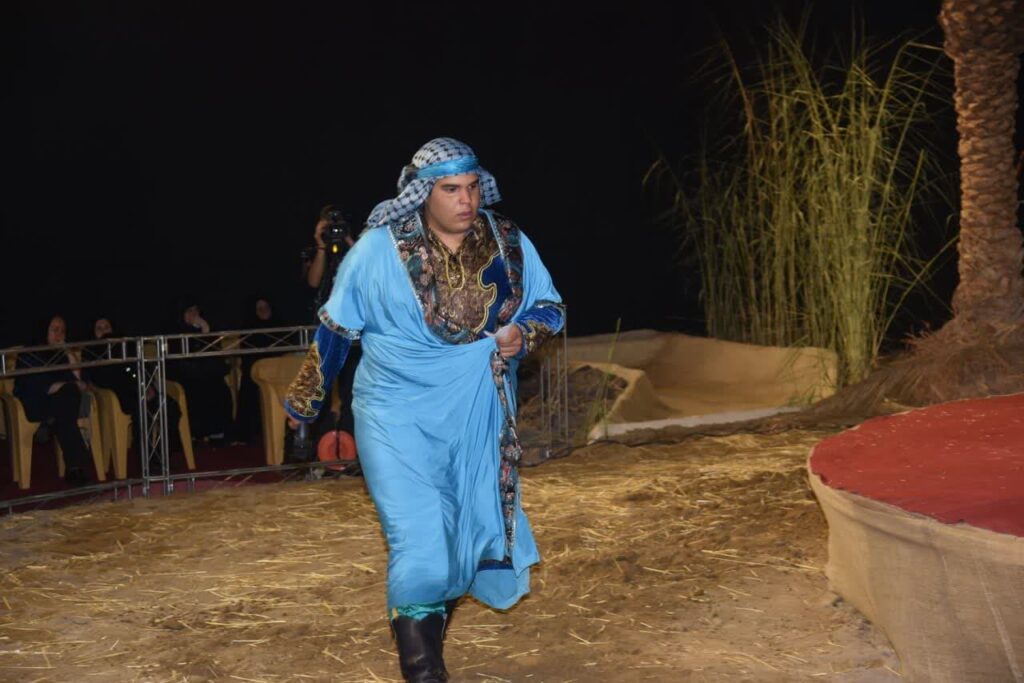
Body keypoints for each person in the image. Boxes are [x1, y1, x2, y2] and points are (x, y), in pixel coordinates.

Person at [284, 137, 565, 682]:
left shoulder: (507, 241)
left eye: (473, 187)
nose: (466, 200)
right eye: (451, 189)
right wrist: (305, 401)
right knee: (419, 540)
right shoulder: (377, 251)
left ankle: (425, 637)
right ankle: (424, 672)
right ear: (421, 193)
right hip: (395, 413)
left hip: (475, 414)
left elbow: (550, 306)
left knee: (460, 538)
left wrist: (524, 333)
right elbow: (336, 330)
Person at [85, 316, 183, 465]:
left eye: (107, 327)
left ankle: (163, 454)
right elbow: (101, 379)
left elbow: (142, 367)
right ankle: (147, 460)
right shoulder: (91, 352)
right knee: (142, 409)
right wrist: (138, 390)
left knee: (171, 406)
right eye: (99, 329)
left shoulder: (126, 345)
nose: (104, 332)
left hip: (141, 388)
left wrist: (148, 386)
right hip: (117, 395)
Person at [301, 205, 362, 442]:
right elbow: (313, 282)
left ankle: (351, 442)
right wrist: (320, 245)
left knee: (353, 388)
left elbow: (365, 270)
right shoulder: (314, 252)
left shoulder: (354, 250)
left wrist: (348, 239)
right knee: (321, 387)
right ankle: (318, 444)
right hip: (324, 327)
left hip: (351, 328)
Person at [13, 315, 94, 486]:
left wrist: (68, 351)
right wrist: (65, 385)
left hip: (63, 403)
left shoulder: (61, 355)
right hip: (37, 402)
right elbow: (35, 386)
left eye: (63, 331)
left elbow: (80, 379)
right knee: (68, 398)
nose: (59, 334)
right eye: (55, 330)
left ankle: (72, 465)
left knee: (67, 400)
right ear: (44, 330)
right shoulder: (30, 353)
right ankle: (76, 464)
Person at [165, 299, 233, 444]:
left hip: (205, 372)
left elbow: (214, 353)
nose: (193, 314)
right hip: (183, 373)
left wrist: (205, 331)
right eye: (189, 311)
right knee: (197, 387)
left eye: (196, 311)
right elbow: (177, 356)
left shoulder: (206, 328)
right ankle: (195, 433)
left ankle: (217, 432)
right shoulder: (174, 330)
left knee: (219, 387)